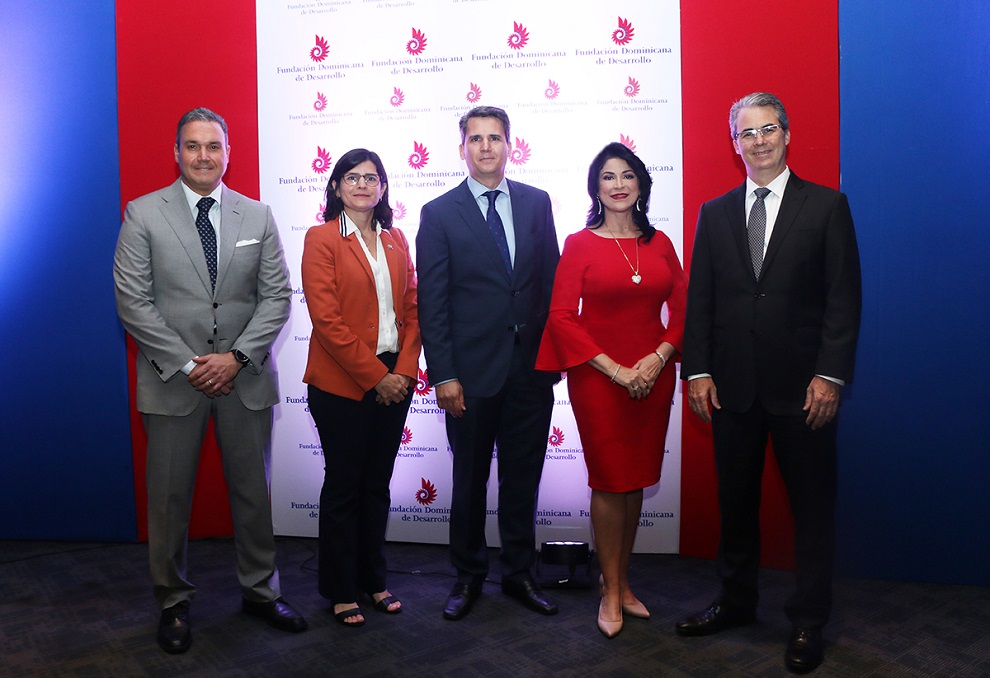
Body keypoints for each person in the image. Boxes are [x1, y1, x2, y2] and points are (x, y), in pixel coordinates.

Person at [677, 92, 861, 673]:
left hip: (804, 392)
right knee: (736, 505)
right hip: (731, 388)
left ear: (787, 133)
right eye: (747, 133)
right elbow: (701, 300)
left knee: (812, 510)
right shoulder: (714, 213)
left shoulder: (827, 206)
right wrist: (697, 370)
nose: (758, 141)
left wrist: (829, 376)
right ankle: (736, 601)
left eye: (768, 129)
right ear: (734, 143)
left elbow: (843, 300)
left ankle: (808, 620)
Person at [113, 107, 306, 654]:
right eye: (193, 146)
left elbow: (276, 298)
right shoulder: (143, 214)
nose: (204, 156)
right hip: (174, 381)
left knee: (253, 495)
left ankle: (261, 592)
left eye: (213, 146)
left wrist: (236, 358)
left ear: (228, 153)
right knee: (169, 500)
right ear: (176, 152)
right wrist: (191, 364)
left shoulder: (257, 215)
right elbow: (132, 302)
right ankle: (172, 601)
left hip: (244, 379)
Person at [416, 106, 561, 621]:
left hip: (530, 371)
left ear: (509, 145)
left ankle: (520, 573)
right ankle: (469, 575)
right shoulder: (438, 213)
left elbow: (550, 284)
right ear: (462, 149)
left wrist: (554, 357)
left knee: (523, 480)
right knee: (470, 481)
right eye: (475, 139)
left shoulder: (537, 203)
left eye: (494, 138)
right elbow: (432, 303)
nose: (485, 147)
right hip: (470, 376)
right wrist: (444, 374)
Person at [536, 142, 686, 638]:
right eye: (608, 176)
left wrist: (658, 357)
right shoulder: (579, 243)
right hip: (598, 376)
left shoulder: (660, 243)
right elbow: (560, 316)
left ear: (641, 184)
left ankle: (620, 581)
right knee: (608, 478)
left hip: (654, 375)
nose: (618, 184)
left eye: (627, 175)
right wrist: (617, 371)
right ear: (595, 188)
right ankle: (610, 591)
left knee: (636, 478)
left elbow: (684, 310)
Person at [301, 148, 420, 627]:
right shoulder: (321, 238)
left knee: (376, 486)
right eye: (352, 178)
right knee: (344, 486)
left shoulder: (396, 239)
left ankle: (374, 580)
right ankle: (339, 588)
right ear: (336, 186)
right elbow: (326, 321)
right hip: (342, 381)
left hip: (396, 378)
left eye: (372, 178)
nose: (362, 185)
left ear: (383, 187)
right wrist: (377, 378)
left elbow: (412, 310)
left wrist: (404, 372)